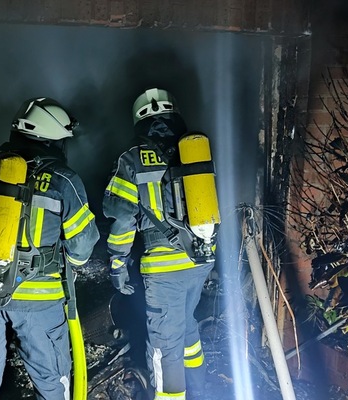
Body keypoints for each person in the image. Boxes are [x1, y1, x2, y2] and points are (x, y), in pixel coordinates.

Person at [0, 97, 100, 400]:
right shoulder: (63, 179)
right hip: (38, 298)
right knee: (52, 379)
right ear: (52, 140)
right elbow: (82, 247)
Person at [102, 88, 218, 400]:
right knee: (186, 325)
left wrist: (117, 264)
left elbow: (122, 219)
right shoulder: (195, 151)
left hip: (164, 268)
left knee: (163, 345)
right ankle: (201, 389)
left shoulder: (132, 160)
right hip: (201, 259)